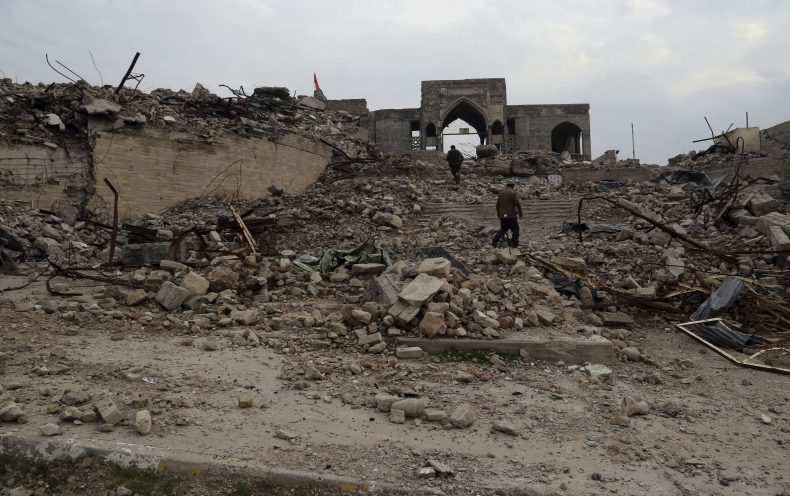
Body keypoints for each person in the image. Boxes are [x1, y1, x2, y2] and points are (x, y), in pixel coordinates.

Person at [492, 181, 523, 247]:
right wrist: (520, 213)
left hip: (503, 215)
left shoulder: (501, 193)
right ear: (513, 186)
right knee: (515, 229)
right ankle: (514, 243)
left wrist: (498, 214)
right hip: (511, 215)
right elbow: (517, 203)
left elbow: (497, 205)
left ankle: (495, 240)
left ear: (507, 185)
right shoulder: (513, 193)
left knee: (503, 229)